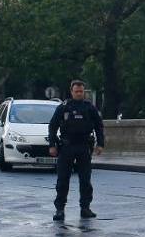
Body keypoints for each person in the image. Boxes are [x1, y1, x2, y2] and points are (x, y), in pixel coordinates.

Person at [48, 79, 105, 222]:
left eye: (81, 91)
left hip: (84, 146)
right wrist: (52, 145)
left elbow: (99, 126)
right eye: (76, 91)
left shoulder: (89, 108)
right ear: (71, 92)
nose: (79, 94)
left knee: (85, 180)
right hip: (67, 146)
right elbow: (53, 126)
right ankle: (60, 209)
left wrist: (100, 144)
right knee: (63, 179)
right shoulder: (64, 107)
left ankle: (85, 208)